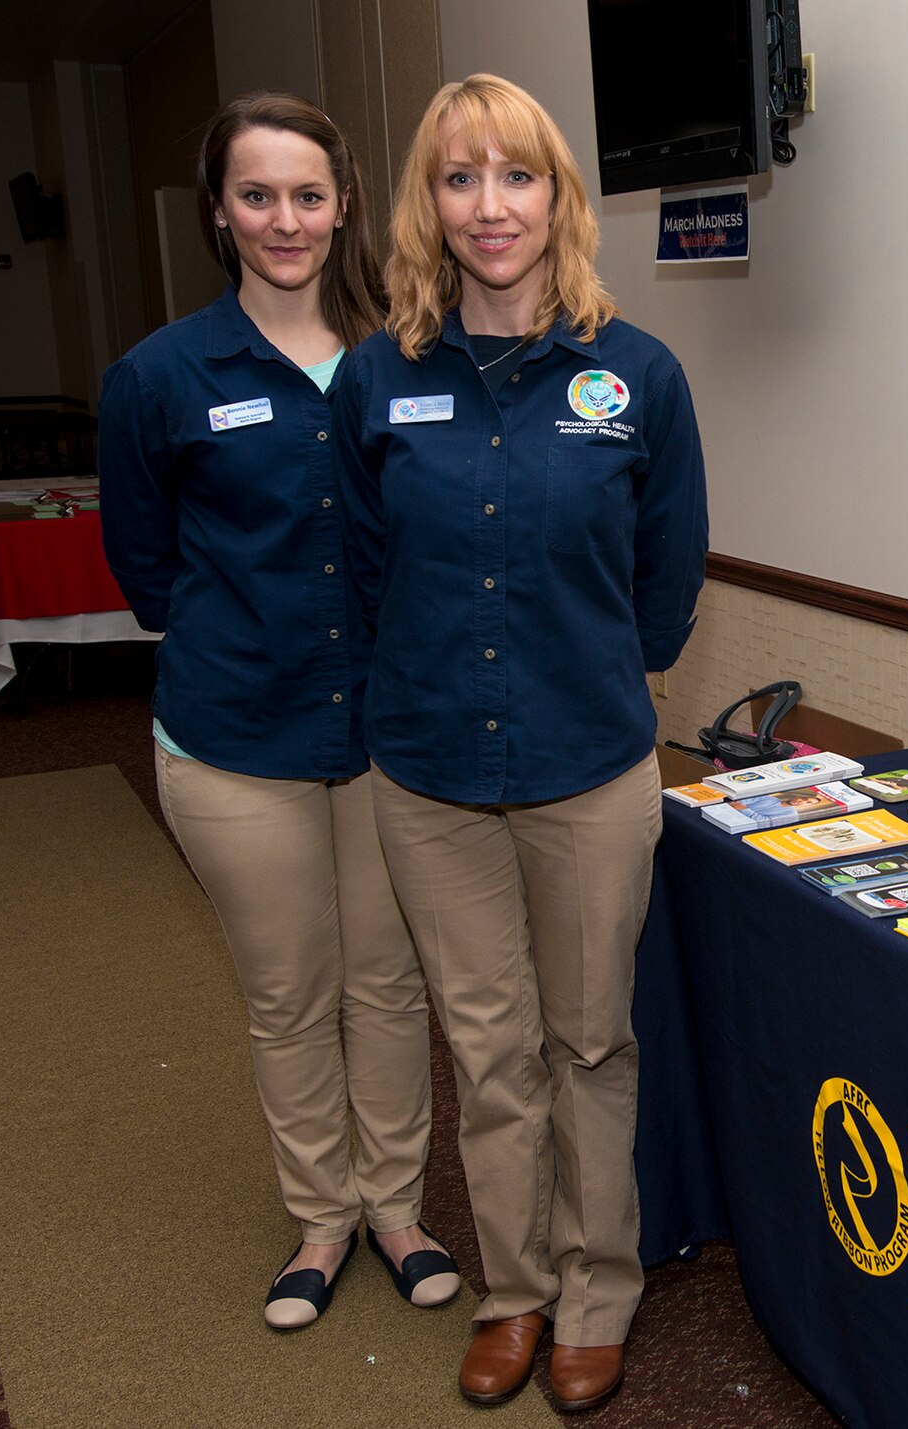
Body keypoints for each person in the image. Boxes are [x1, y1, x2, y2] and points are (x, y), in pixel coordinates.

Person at [332, 74, 708, 1413]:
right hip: (429, 773)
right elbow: (364, 567)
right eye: (458, 178)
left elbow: (667, 579)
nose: (489, 206)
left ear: (559, 196)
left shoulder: (636, 377)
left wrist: (596, 672)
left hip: (589, 766)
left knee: (589, 1042)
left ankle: (600, 1290)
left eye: (516, 175)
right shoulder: (380, 375)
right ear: (427, 205)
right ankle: (517, 1291)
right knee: (488, 1053)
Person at [100, 92, 458, 1330]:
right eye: (257, 195)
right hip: (234, 737)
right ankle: (321, 1220)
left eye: (308, 194)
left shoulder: (408, 358)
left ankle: (399, 1207)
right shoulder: (158, 377)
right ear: (219, 212)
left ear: (344, 203)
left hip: (387, 736)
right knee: (289, 991)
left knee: (388, 982)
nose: (285, 220)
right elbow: (146, 572)